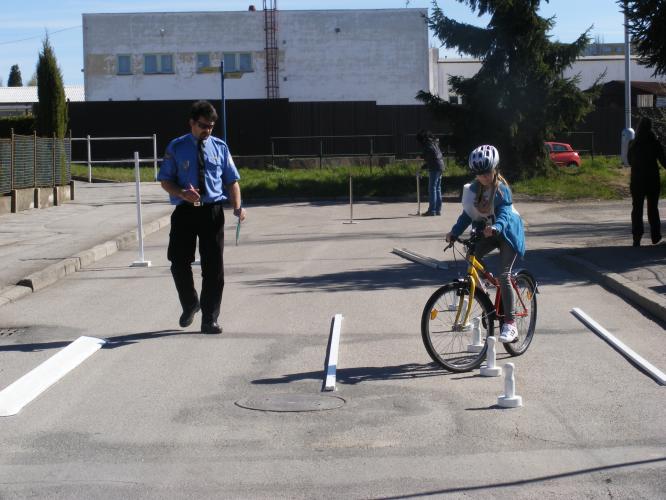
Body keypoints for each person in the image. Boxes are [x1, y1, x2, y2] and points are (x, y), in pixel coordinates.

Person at [158, 100, 247, 334]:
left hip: (212, 212)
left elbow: (232, 181)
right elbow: (165, 180)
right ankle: (190, 303)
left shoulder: (220, 147)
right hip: (185, 211)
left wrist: (237, 206)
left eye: (210, 126)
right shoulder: (176, 147)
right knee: (178, 261)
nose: (207, 130)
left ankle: (210, 318)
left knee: (213, 267)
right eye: (202, 125)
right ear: (192, 123)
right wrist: (181, 193)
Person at [445, 145, 525, 343]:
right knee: (473, 259)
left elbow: (505, 213)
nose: (484, 177)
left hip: (507, 233)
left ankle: (510, 324)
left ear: (494, 169)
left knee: (504, 275)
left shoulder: (501, 189)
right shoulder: (473, 190)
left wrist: (497, 226)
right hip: (489, 232)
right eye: (480, 174)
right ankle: (486, 295)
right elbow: (467, 214)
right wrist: (454, 232)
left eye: (487, 173)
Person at [627, 117, 666, 247]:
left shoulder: (633, 143)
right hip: (652, 179)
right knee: (652, 208)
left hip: (637, 180)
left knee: (637, 208)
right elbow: (663, 161)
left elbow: (629, 161)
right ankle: (655, 235)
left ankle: (637, 236)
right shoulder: (655, 143)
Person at [416, 130, 445, 216]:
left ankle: (432, 210)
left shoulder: (427, 145)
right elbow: (432, 157)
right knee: (437, 188)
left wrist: (420, 157)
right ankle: (437, 210)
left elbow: (428, 157)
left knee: (432, 188)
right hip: (440, 166)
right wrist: (423, 165)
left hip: (435, 167)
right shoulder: (434, 143)